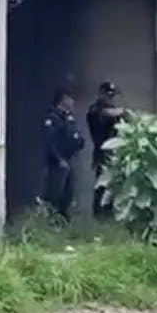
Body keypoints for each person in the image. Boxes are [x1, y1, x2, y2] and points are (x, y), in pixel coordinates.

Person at [41, 87, 85, 221]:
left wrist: (79, 143)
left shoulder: (69, 117)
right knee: (55, 194)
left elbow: (74, 136)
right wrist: (59, 160)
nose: (73, 102)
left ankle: (64, 222)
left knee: (68, 194)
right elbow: (49, 142)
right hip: (58, 163)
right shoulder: (52, 117)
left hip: (70, 160)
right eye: (70, 99)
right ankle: (51, 222)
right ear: (63, 99)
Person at [86, 81, 127, 217]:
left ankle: (108, 216)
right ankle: (99, 216)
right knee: (102, 186)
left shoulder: (112, 112)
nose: (110, 99)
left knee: (112, 187)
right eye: (108, 95)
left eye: (112, 96)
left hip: (113, 152)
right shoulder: (95, 110)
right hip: (103, 152)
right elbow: (102, 113)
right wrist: (119, 112)